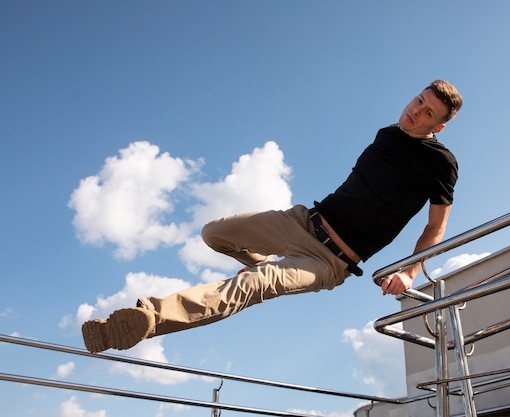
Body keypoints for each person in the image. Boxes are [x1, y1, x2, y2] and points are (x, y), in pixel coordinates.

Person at [82, 79, 463, 353]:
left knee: (251, 285)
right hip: (300, 221)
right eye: (417, 100)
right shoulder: (387, 133)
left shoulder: (441, 163)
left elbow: (436, 225)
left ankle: (146, 318)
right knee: (214, 233)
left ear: (439, 125)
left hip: (329, 260)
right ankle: (263, 261)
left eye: (427, 112)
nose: (414, 112)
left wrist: (409, 272)